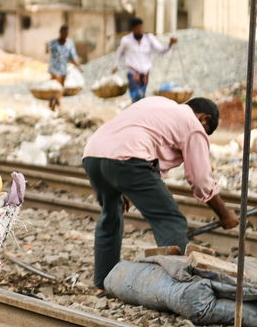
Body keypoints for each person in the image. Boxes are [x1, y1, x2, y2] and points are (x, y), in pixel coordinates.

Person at [82, 96, 239, 290]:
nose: (202, 135)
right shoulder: (194, 125)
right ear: (204, 118)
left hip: (93, 155)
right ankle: (176, 288)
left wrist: (128, 189)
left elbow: (150, 155)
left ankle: (103, 281)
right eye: (206, 132)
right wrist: (224, 214)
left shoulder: (157, 104)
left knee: (111, 216)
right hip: (127, 157)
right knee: (171, 220)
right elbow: (200, 179)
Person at [113, 18, 175, 102]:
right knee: (136, 97)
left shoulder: (149, 38)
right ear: (133, 29)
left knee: (142, 97)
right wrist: (116, 65)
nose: (140, 30)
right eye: (138, 28)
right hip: (133, 73)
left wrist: (170, 44)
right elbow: (119, 53)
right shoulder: (126, 40)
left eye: (141, 28)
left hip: (145, 73)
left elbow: (161, 50)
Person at [47, 24, 82, 112]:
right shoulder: (54, 43)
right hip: (54, 69)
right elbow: (47, 50)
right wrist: (46, 47)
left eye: (66, 33)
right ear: (60, 33)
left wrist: (79, 66)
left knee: (60, 88)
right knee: (55, 87)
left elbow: (73, 56)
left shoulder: (69, 43)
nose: (65, 35)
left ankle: (57, 105)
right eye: (63, 33)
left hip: (63, 69)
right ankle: (54, 104)